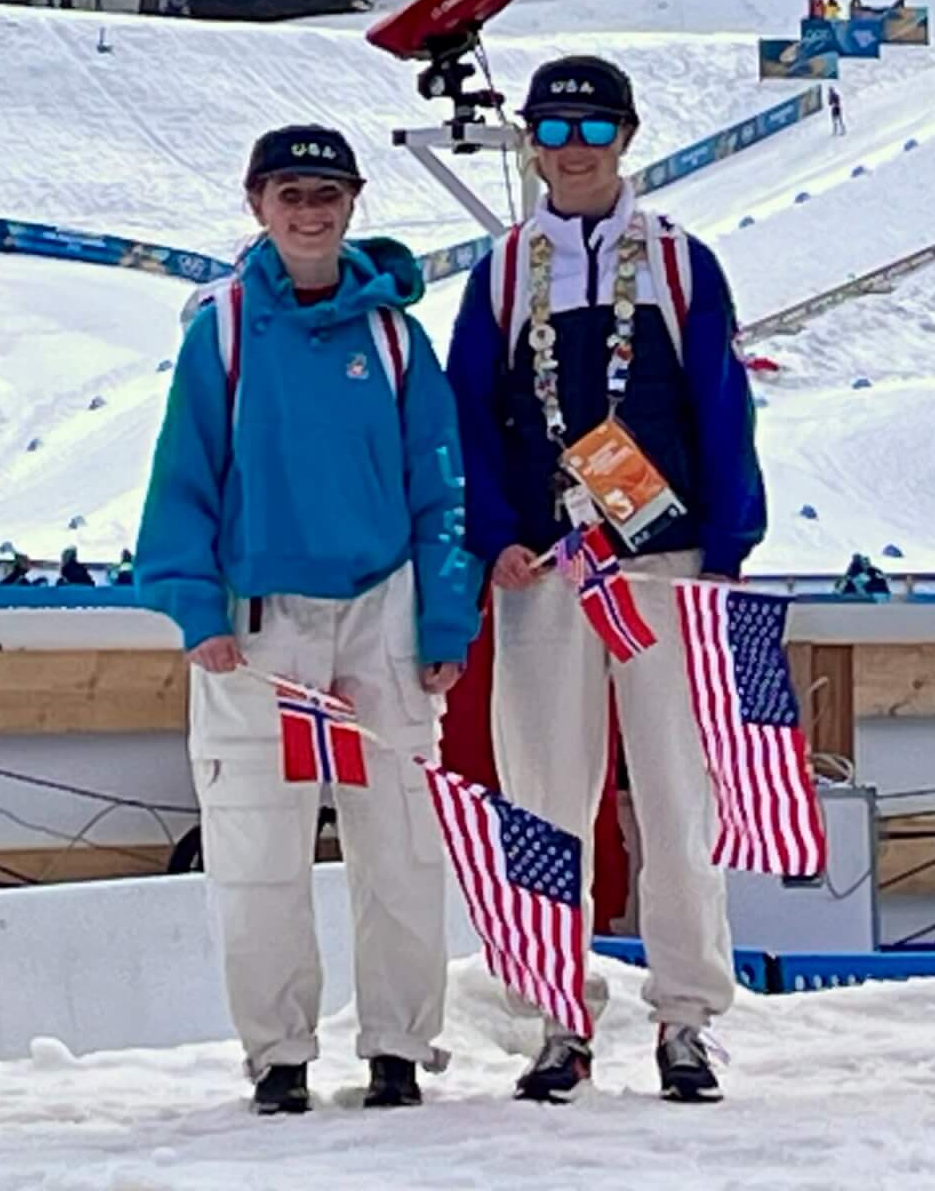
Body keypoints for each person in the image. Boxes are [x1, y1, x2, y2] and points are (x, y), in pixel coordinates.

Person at [137, 123, 479, 1116]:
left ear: (353, 204)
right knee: (256, 845)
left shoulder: (393, 337)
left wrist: (445, 620)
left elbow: (438, 485)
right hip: (259, 621)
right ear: (256, 206)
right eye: (288, 193)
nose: (308, 210)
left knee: (401, 841)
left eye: (326, 193)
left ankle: (397, 1047)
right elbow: (182, 481)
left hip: (380, 610)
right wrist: (191, 605)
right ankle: (278, 1052)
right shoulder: (226, 328)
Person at [447, 55, 766, 1106]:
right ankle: (555, 1014)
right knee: (543, 794)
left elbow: (721, 401)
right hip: (544, 564)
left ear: (624, 139)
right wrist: (491, 531)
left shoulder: (675, 261)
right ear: (530, 143)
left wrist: (725, 544)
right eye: (552, 129)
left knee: (675, 788)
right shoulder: (501, 272)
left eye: (592, 129)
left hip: (661, 559)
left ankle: (684, 1018)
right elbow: (466, 415)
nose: (572, 148)